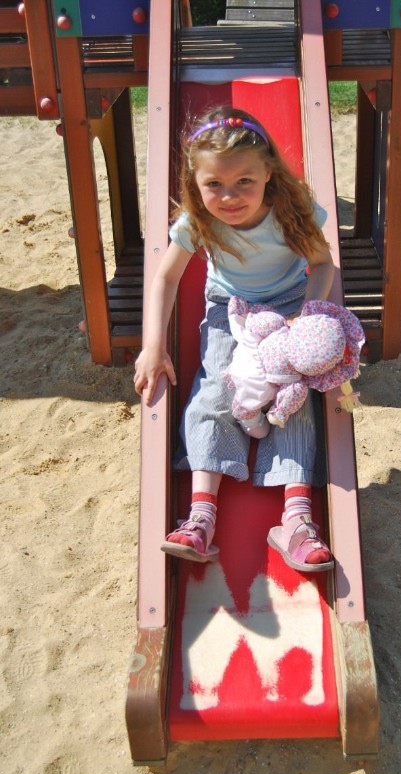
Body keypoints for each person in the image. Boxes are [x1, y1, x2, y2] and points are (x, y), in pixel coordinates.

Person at [133, 107, 336, 572]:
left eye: (244, 181)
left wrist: (307, 316)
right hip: (230, 307)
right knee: (214, 391)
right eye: (214, 184)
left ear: (268, 172)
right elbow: (165, 278)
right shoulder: (197, 220)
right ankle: (200, 515)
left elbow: (323, 264)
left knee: (294, 395)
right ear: (196, 181)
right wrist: (153, 346)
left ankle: (296, 518)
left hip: (289, 303)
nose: (229, 196)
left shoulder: (291, 211)